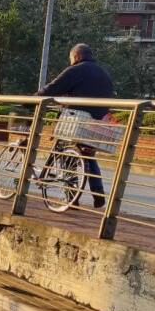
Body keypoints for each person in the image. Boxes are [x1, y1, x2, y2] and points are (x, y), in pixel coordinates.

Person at [40, 43, 115, 208]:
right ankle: (98, 193)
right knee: (87, 155)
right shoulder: (104, 72)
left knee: (68, 154)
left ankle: (71, 197)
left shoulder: (76, 70)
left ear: (77, 56)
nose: (71, 62)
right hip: (97, 121)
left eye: (71, 58)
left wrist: (33, 100)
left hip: (76, 120)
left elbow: (53, 88)